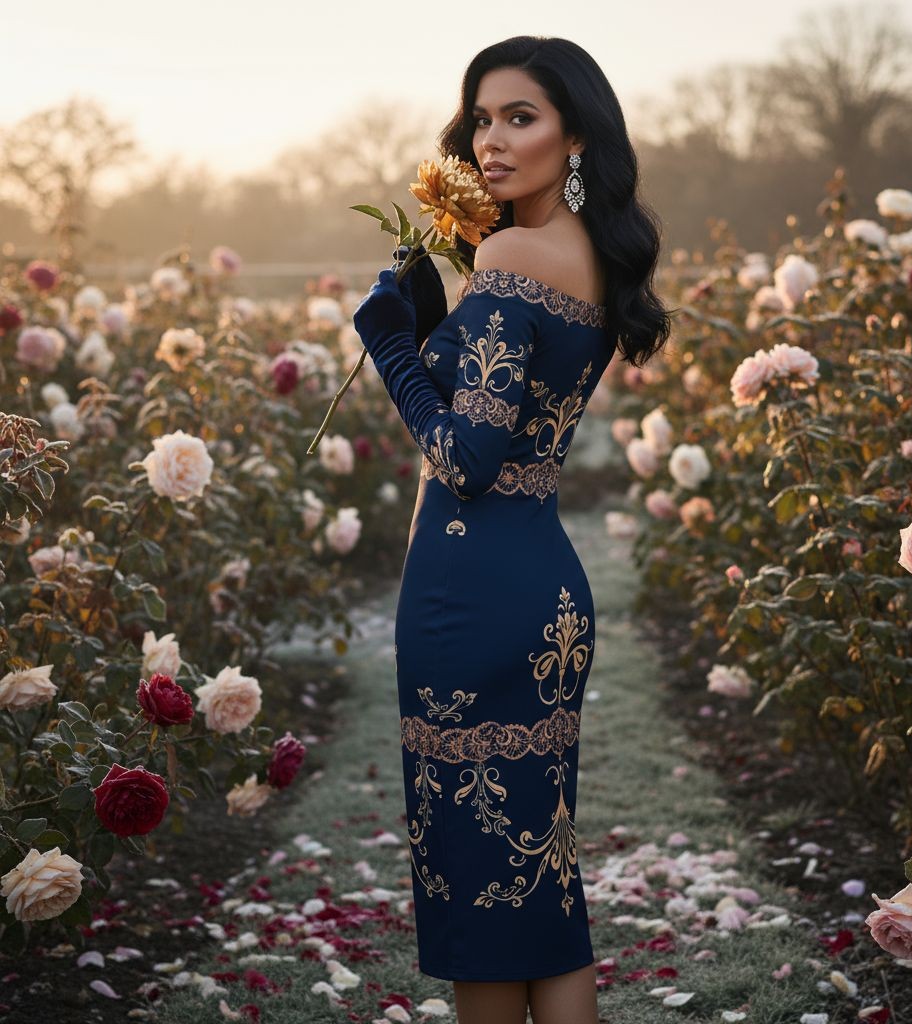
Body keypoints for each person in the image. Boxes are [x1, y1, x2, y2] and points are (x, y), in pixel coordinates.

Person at [352, 34, 674, 1024]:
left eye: (520, 118)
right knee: (540, 885)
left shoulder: (511, 253)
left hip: (472, 596)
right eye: (481, 118)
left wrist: (392, 346)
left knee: (476, 888)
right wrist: (445, 311)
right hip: (540, 590)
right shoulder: (579, 258)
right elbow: (509, 409)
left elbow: (464, 457)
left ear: (575, 137)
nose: (491, 140)